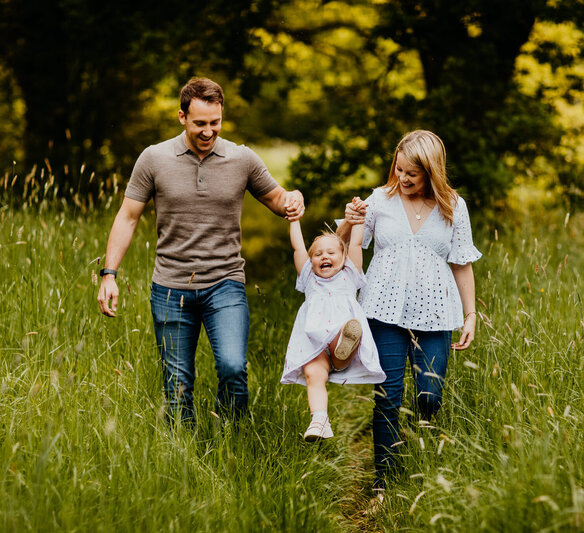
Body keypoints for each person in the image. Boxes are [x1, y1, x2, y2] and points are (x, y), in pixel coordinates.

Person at [97, 77, 304, 425]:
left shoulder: (242, 159)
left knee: (234, 368)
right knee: (177, 388)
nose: (209, 131)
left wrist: (293, 199)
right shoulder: (154, 159)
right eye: (200, 124)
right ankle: (185, 458)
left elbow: (278, 200)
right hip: (170, 288)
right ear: (181, 117)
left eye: (215, 123)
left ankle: (230, 440)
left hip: (225, 284)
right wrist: (109, 274)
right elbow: (128, 218)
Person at [337, 130, 481, 493]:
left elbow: (462, 263)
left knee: (429, 397)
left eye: (411, 174)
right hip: (383, 311)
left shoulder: (453, 206)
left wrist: (470, 315)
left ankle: (423, 471)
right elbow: (345, 244)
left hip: (435, 315)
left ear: (431, 172)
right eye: (398, 170)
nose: (402, 179)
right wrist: (347, 220)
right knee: (388, 397)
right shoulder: (379, 201)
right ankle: (384, 484)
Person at [280, 208, 385, 441]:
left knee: (344, 334)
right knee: (312, 375)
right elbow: (298, 247)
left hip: (339, 345)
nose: (324, 257)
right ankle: (319, 420)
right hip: (314, 346)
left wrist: (359, 220)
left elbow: (356, 245)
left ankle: (347, 341)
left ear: (343, 257)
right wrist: (294, 220)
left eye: (330, 252)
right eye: (317, 254)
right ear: (311, 261)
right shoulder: (308, 278)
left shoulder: (350, 274)